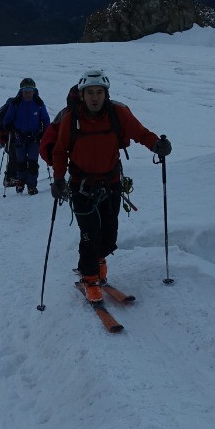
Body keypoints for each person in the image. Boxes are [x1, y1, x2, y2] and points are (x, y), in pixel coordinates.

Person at [41, 69, 171, 303]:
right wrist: (58, 179)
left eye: (99, 92)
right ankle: (89, 277)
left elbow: (139, 133)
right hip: (81, 186)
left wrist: (156, 145)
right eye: (90, 92)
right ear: (82, 95)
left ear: (106, 94)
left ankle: (99, 260)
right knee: (90, 233)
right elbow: (60, 151)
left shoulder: (117, 114)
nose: (94, 97)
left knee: (109, 234)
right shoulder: (72, 119)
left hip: (111, 184)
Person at [0, 77, 51, 195]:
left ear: (34, 90)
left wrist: (45, 132)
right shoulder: (16, 103)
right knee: (21, 162)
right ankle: (21, 182)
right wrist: (9, 128)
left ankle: (32, 186)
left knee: (33, 162)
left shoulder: (38, 103)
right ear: (21, 90)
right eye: (25, 90)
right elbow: (8, 119)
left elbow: (45, 119)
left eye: (30, 90)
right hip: (19, 137)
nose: (28, 93)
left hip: (34, 137)